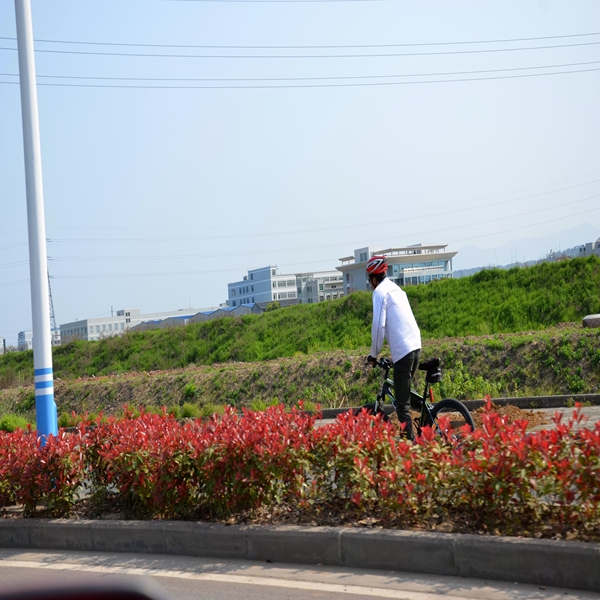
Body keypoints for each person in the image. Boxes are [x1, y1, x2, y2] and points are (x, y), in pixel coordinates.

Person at [366, 255, 421, 440]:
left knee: (402, 407)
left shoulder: (380, 292)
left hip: (404, 352)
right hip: (415, 346)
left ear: (374, 279)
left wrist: (374, 355)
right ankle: (426, 422)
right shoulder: (397, 289)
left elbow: (378, 327)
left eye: (370, 280)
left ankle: (410, 453)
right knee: (406, 394)